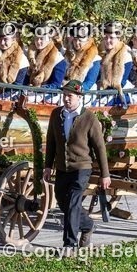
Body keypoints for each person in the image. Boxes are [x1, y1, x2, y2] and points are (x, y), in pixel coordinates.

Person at [43, 79, 111, 257]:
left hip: (81, 167)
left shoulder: (89, 118)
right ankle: (88, 225)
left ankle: (69, 245)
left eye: (70, 96)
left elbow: (99, 147)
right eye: (64, 95)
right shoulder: (56, 114)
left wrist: (105, 174)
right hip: (62, 167)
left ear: (79, 97)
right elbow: (51, 142)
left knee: (73, 202)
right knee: (62, 201)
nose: (66, 99)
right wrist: (48, 166)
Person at [98, 22, 133, 103]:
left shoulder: (126, 55)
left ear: (118, 39)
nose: (108, 41)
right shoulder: (101, 53)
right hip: (102, 90)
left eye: (111, 38)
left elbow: (122, 82)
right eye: (105, 37)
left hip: (119, 92)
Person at [27, 21, 67, 89]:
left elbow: (56, 85)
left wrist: (38, 89)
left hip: (46, 93)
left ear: (49, 39)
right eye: (36, 38)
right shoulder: (30, 55)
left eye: (41, 39)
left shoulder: (58, 59)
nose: (38, 41)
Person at [65, 21, 101, 91]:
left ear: (87, 40)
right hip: (64, 91)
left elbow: (89, 83)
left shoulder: (95, 59)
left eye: (80, 40)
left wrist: (71, 89)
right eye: (75, 40)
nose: (77, 43)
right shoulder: (67, 55)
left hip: (83, 93)